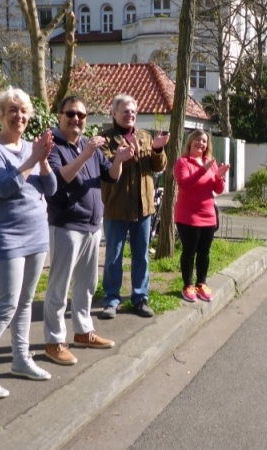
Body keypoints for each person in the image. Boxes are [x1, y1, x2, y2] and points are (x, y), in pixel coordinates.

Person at [0, 87, 57, 399]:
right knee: (6, 305)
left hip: (36, 232)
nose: (19, 116)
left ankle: (21, 359)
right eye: (12, 110)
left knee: (26, 302)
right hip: (6, 235)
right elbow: (4, 188)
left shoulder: (32, 148)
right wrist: (33, 158)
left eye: (23, 111)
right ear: (1, 114)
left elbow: (51, 188)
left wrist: (43, 161)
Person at [43, 96, 135, 365]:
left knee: (86, 284)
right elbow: (60, 179)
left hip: (92, 226)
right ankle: (54, 341)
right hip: (66, 225)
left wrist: (119, 160)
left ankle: (83, 332)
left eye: (81, 115)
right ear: (60, 115)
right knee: (59, 287)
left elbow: (111, 176)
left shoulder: (87, 143)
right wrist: (85, 155)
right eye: (71, 114)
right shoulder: (52, 144)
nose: (76, 119)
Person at [99, 94, 168, 319]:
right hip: (116, 207)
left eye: (133, 111)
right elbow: (107, 167)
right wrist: (126, 156)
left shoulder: (145, 136)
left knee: (141, 256)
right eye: (125, 111)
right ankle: (111, 300)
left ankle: (140, 298)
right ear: (114, 114)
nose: (129, 115)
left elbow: (158, 166)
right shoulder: (105, 139)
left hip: (143, 208)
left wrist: (157, 150)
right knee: (114, 257)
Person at [174, 130, 230, 302]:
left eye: (204, 141)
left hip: (208, 215)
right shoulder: (183, 162)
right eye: (198, 140)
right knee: (189, 251)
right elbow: (185, 184)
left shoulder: (210, 162)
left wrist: (219, 176)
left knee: (204, 252)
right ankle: (188, 286)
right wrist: (202, 169)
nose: (201, 143)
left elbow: (218, 190)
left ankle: (201, 284)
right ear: (190, 142)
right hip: (188, 216)